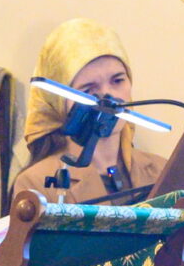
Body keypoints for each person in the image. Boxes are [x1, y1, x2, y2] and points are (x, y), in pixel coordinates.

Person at [10, 18, 168, 205]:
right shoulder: (36, 183)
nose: (109, 96)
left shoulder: (161, 170)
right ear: (59, 101)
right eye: (88, 89)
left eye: (118, 81)